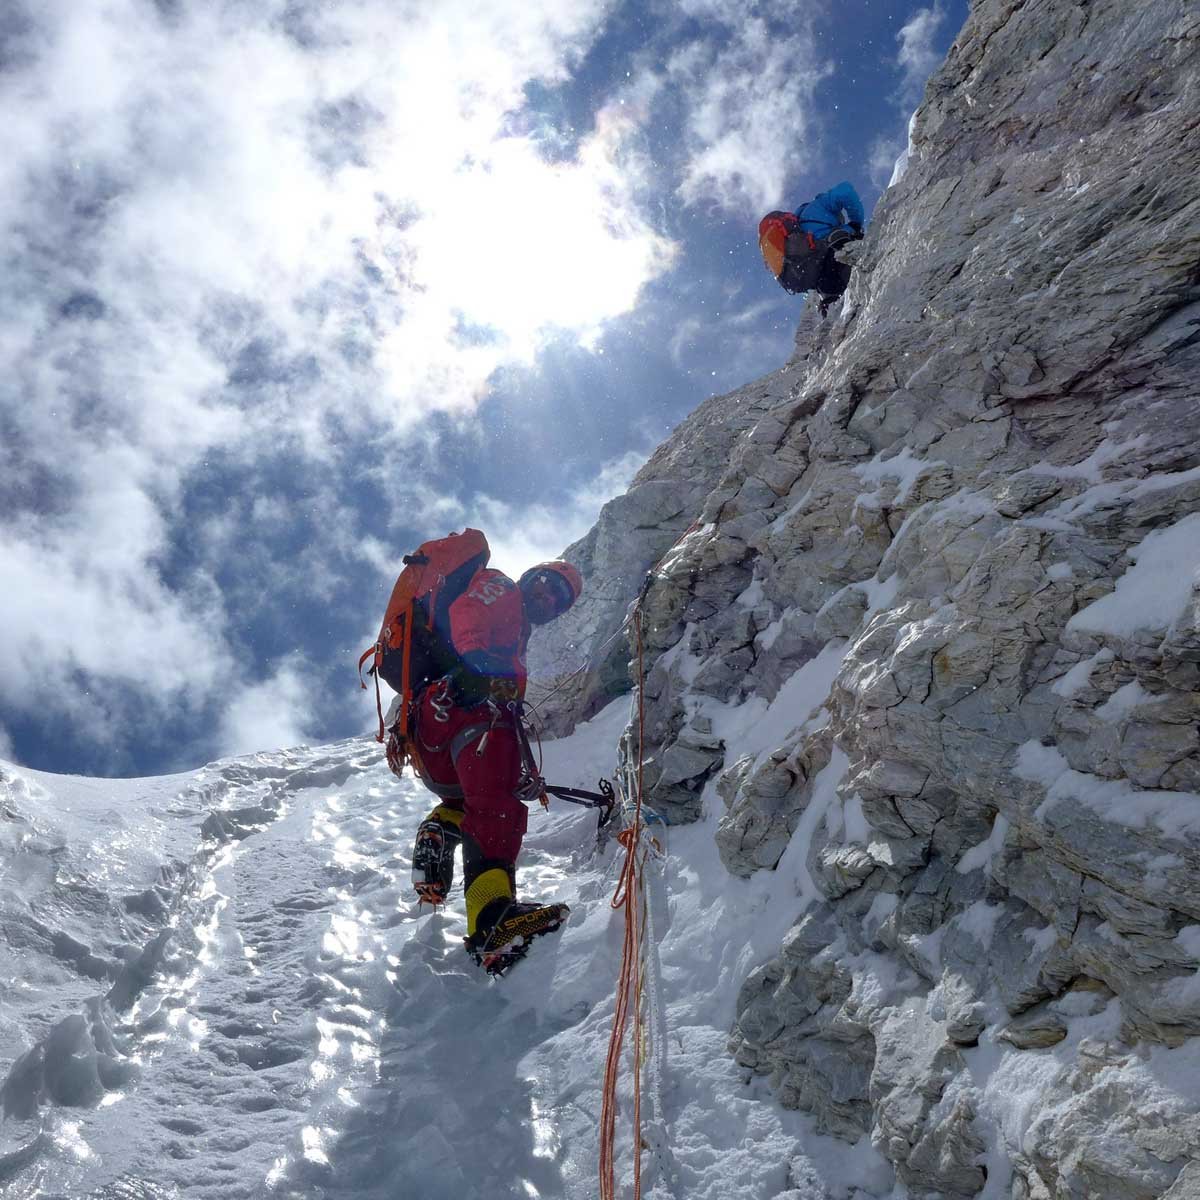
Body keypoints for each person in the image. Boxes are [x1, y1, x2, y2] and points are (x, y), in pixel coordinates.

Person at [407, 556, 583, 967]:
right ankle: (493, 924)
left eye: (560, 599)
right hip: (466, 713)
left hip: (441, 734)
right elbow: (466, 612)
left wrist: (522, 771)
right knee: (498, 812)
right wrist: (477, 664)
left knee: (478, 805)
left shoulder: (515, 630)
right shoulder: (503, 589)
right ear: (529, 577)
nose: (549, 597)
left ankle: (441, 825)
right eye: (545, 583)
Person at [795, 180, 866, 313]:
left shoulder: (798, 227)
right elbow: (846, 191)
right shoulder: (821, 204)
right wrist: (856, 223)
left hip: (822, 282)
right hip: (833, 258)